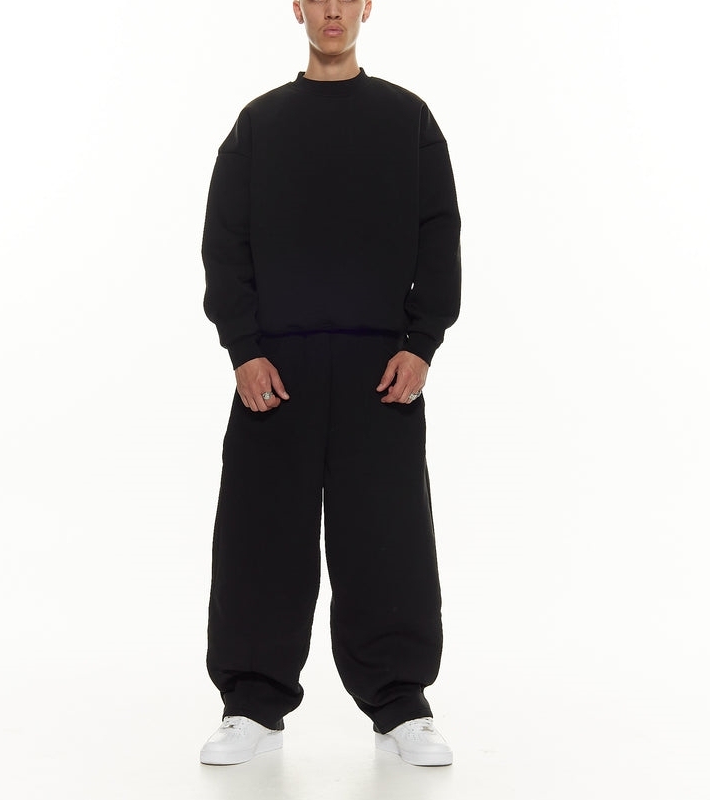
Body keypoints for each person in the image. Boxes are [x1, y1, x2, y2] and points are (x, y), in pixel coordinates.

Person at [199, 0, 462, 767]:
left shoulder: (408, 121)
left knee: (387, 538)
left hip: (380, 370)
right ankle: (252, 704)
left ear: (368, 5)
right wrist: (244, 349)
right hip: (274, 369)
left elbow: (438, 232)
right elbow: (224, 241)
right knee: (261, 536)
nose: (334, 9)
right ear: (299, 8)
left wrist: (422, 343)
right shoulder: (259, 125)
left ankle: (401, 705)